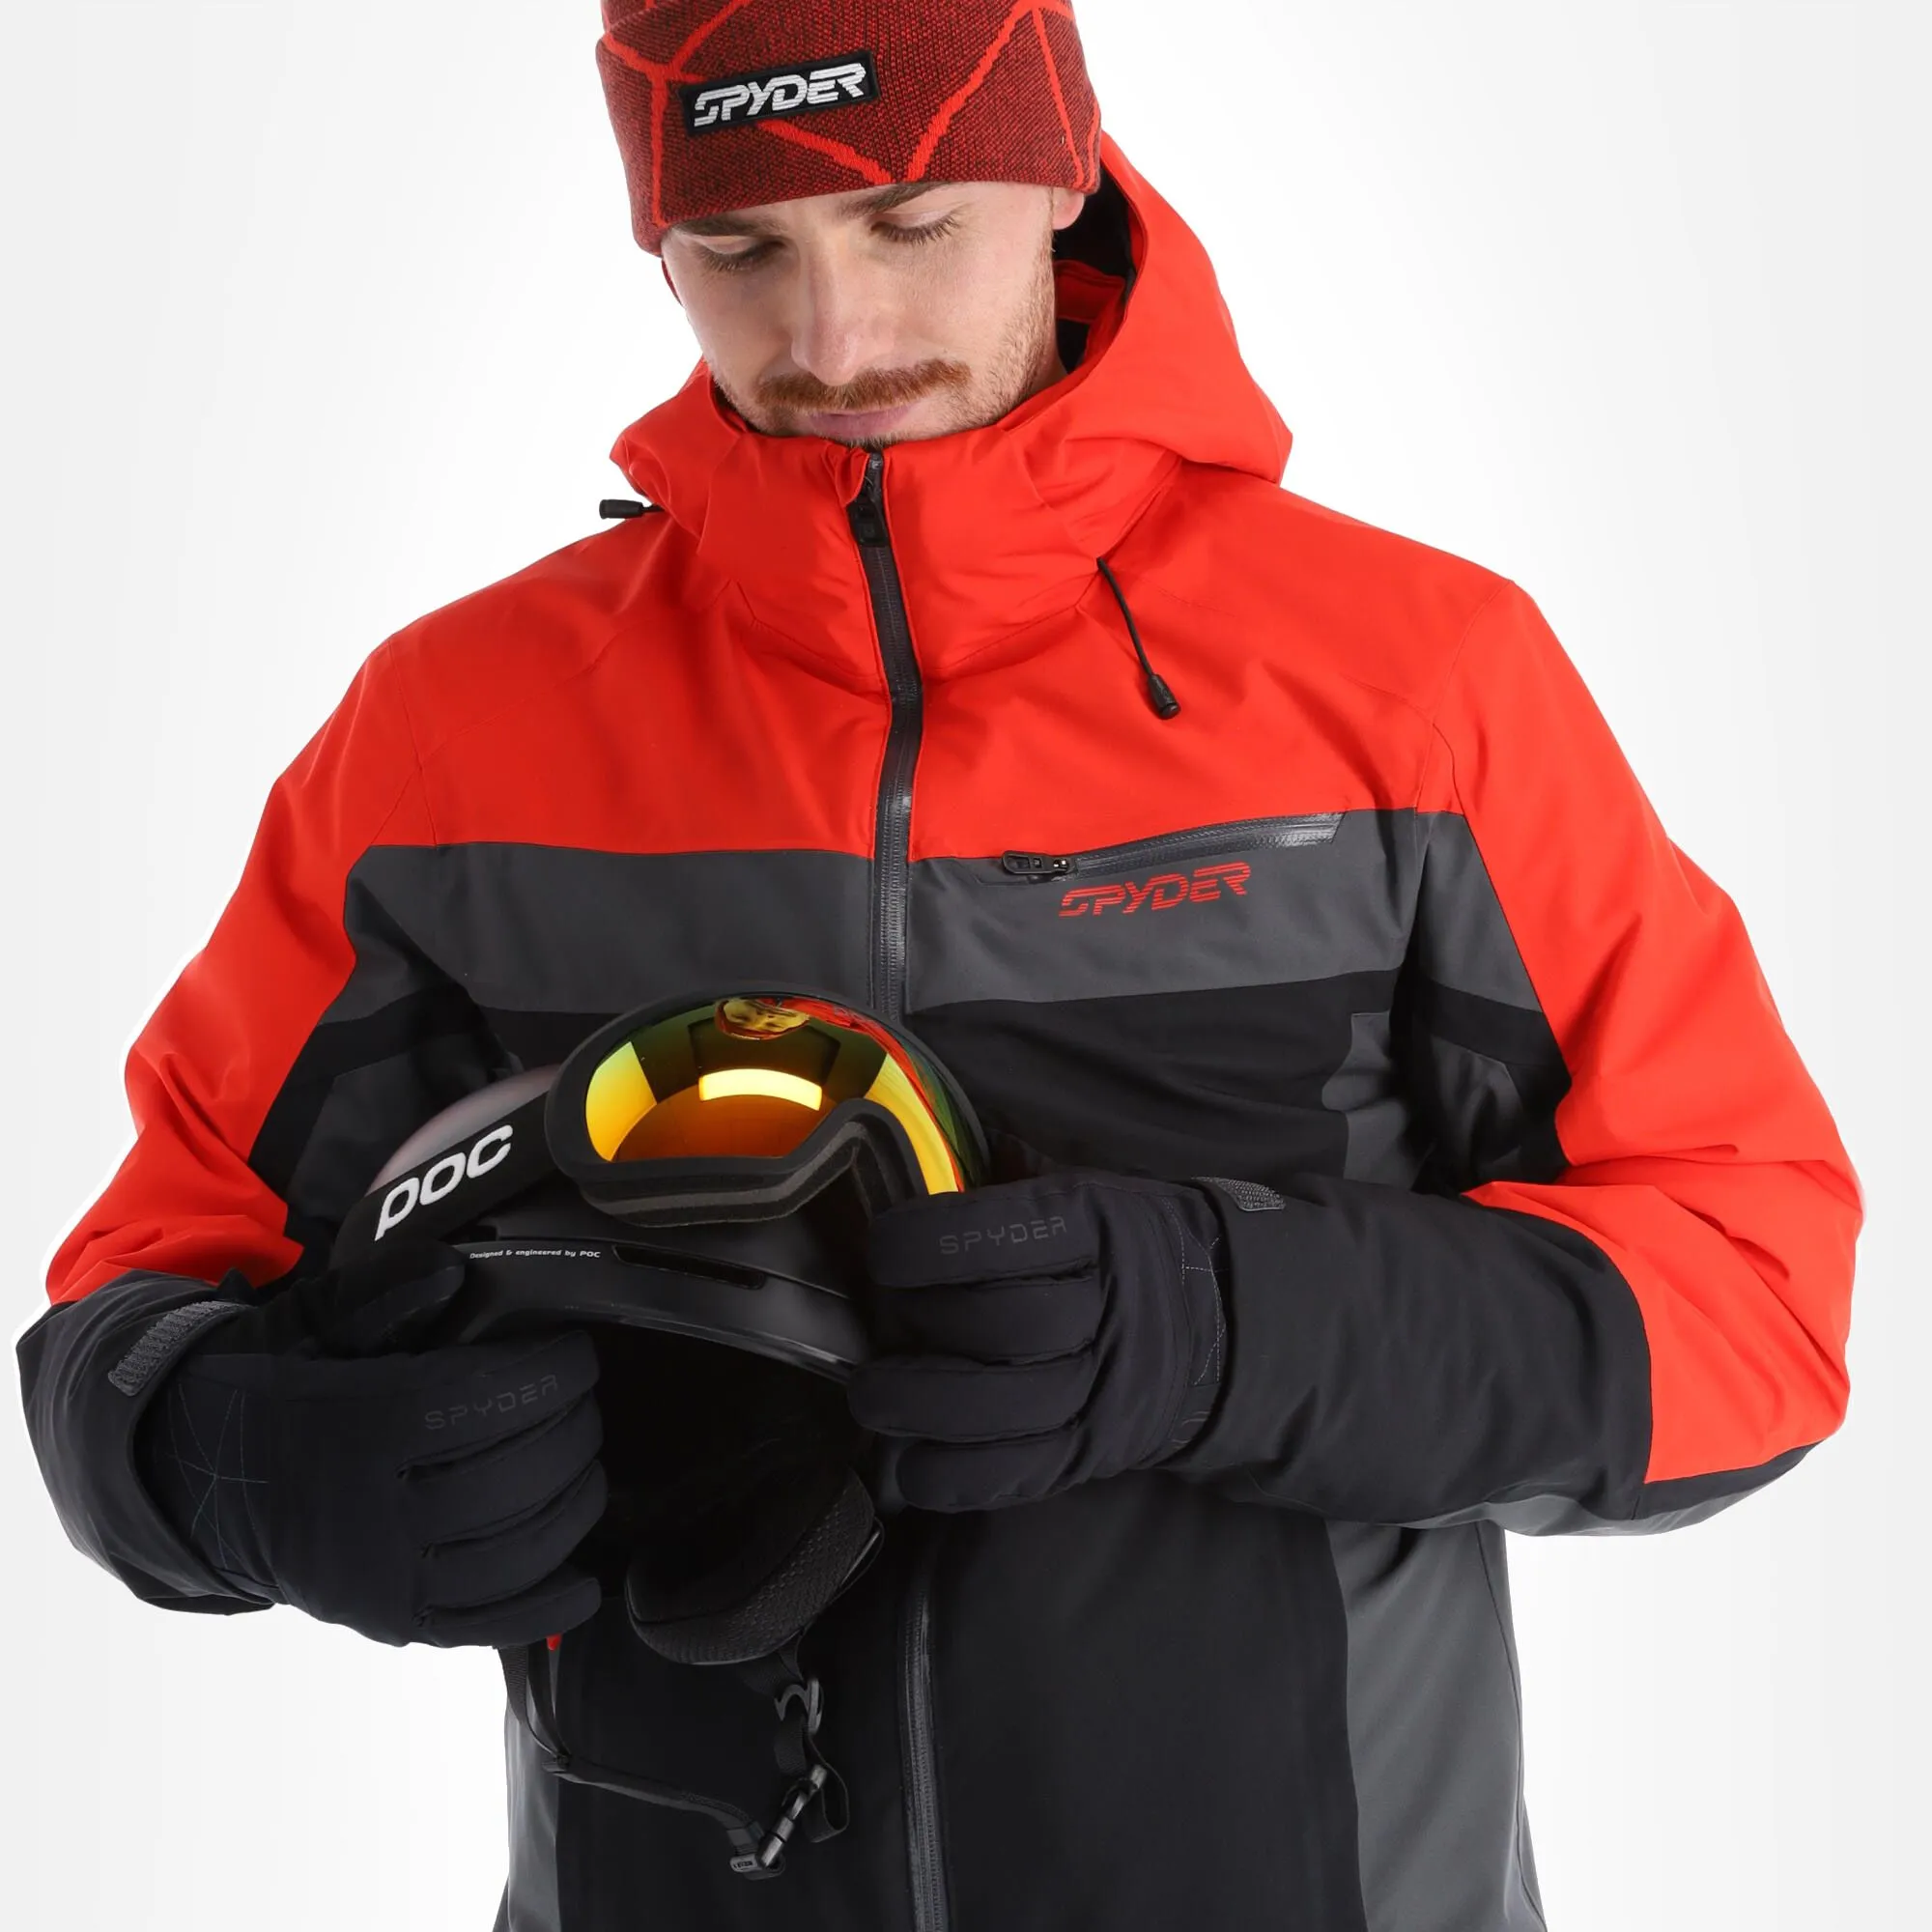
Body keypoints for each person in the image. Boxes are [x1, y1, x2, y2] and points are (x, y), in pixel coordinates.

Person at [17, 4, 1861, 1928]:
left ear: (1060, 175)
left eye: (911, 224)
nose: (833, 342)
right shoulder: (452, 735)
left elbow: (1757, 1305)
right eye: (740, 248)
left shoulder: (1414, 686)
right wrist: (226, 1460)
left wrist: (1227, 1323)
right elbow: (139, 1288)